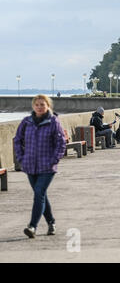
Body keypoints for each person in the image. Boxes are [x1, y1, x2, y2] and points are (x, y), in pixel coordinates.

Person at [13, 95, 66, 238]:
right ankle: (51, 223)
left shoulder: (53, 121)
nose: (39, 107)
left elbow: (61, 143)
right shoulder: (26, 122)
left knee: (38, 193)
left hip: (47, 166)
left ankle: (32, 226)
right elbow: (17, 140)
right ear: (33, 106)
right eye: (37, 104)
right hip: (30, 166)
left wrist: (54, 159)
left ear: (48, 105)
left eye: (42, 104)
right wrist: (21, 158)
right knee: (41, 195)